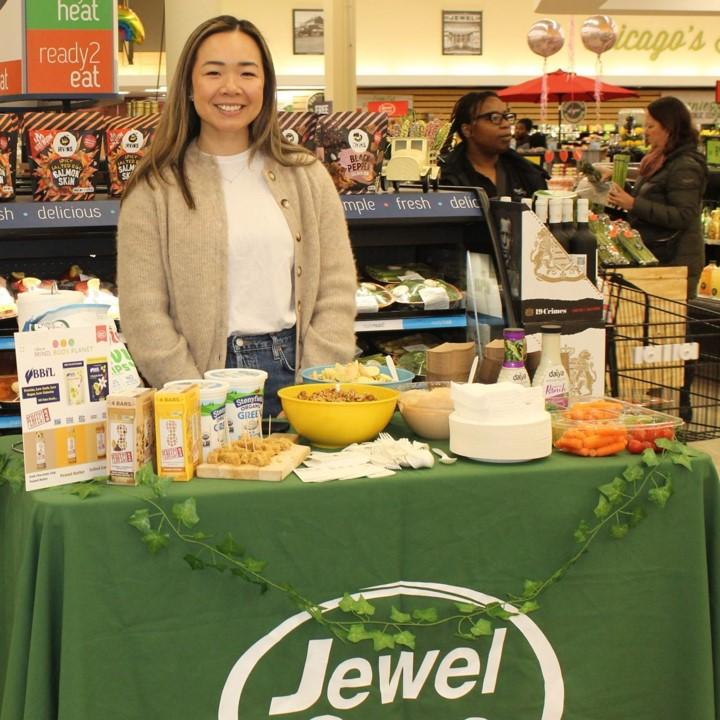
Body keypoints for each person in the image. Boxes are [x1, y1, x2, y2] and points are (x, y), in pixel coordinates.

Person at [117, 16, 357, 416]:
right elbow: (144, 313)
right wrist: (194, 397)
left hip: (296, 374)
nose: (231, 88)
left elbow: (336, 286)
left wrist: (313, 385)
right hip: (201, 380)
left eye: (247, 73)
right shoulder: (154, 189)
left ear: (265, 85)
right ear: (190, 88)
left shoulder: (306, 176)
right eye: (213, 72)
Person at [607, 96, 707, 298]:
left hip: (676, 262)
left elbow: (684, 215)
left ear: (668, 128)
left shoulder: (685, 165)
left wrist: (633, 204)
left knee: (668, 324)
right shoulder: (658, 160)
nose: (646, 131)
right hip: (659, 255)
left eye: (651, 126)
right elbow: (655, 196)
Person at [438, 91, 547, 201]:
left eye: (506, 116)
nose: (506, 124)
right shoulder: (444, 179)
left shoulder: (527, 173)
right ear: (467, 129)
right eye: (494, 117)